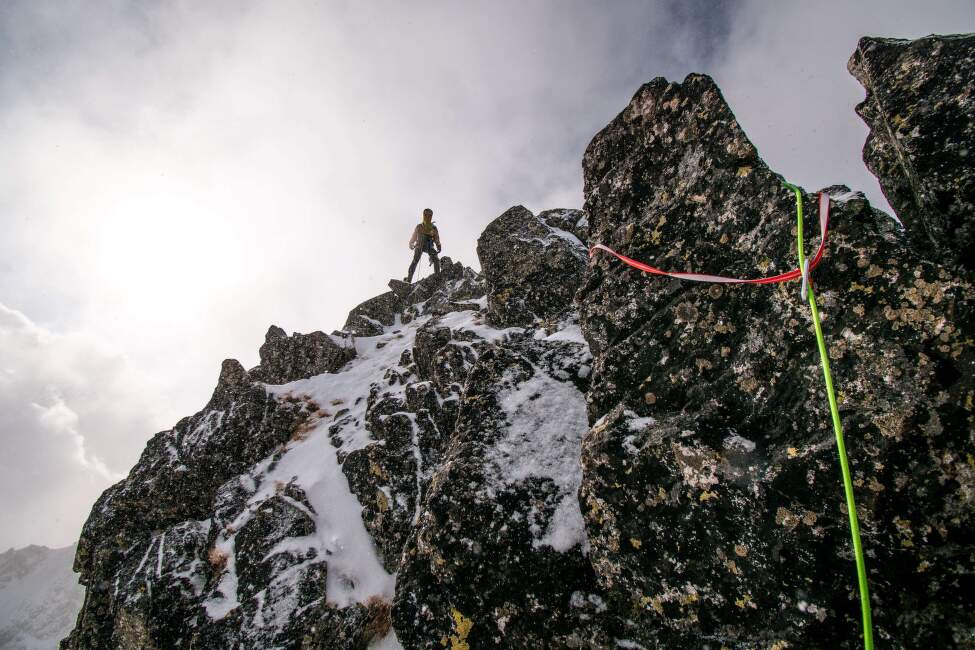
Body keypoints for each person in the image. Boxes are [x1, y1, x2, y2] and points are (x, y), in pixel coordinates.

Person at [405, 208, 442, 282]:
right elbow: (414, 236)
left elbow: (436, 237)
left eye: (429, 215)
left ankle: (409, 279)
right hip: (424, 246)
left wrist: (411, 243)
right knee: (433, 259)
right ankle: (437, 276)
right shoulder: (428, 227)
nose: (428, 216)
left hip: (423, 245)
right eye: (426, 215)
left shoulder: (423, 227)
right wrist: (438, 246)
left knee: (416, 261)